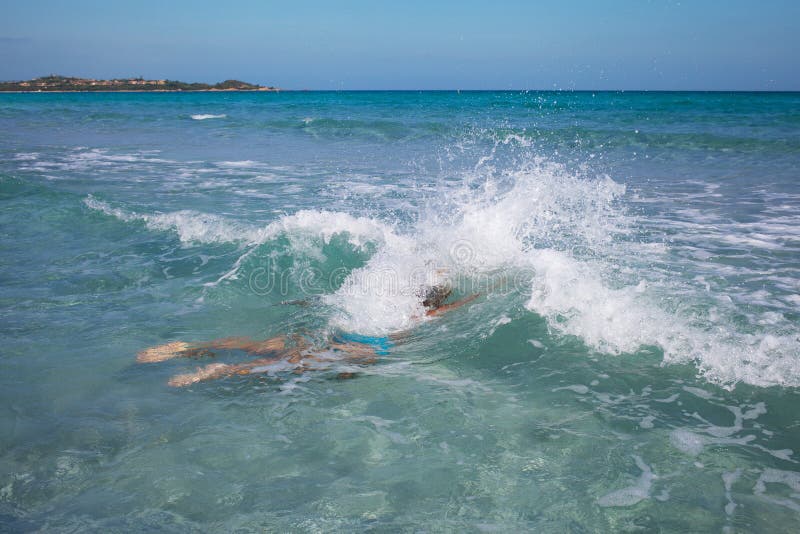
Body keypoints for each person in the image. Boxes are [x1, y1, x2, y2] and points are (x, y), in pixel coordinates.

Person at [137, 285, 479, 387]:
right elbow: (458, 305)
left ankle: (188, 348)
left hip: (346, 329)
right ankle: (215, 372)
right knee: (293, 363)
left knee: (262, 347)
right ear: (436, 302)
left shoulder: (385, 300)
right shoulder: (424, 315)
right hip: (370, 346)